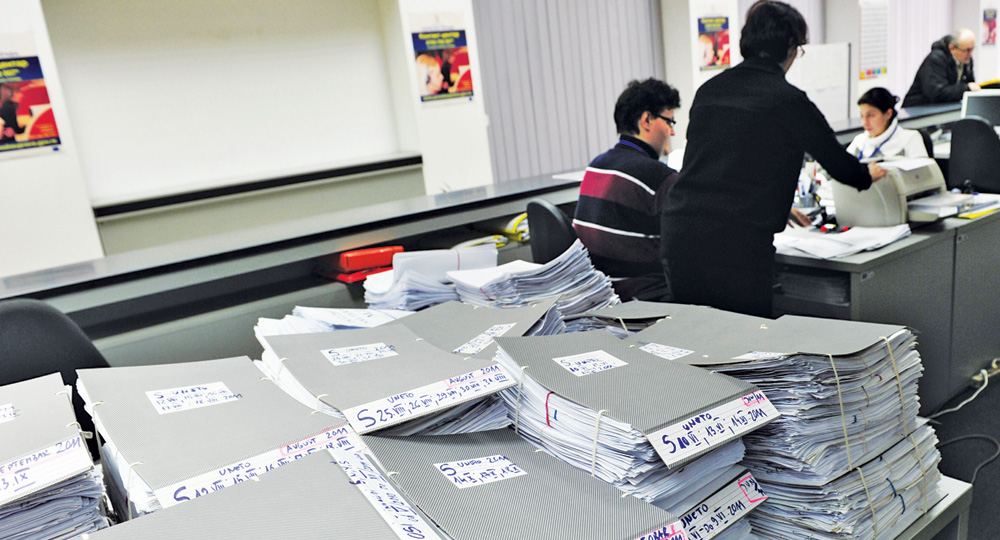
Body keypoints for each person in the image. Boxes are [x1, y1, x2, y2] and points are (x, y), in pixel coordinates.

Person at [660, 0, 882, 318]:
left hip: (681, 236)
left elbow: (722, 164)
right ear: (790, 48)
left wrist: (775, 202)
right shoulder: (788, 101)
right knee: (747, 341)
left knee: (695, 337)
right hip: (735, 244)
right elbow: (840, 166)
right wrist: (869, 173)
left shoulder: (710, 90)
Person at [573, 78, 680, 301]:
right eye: (669, 122)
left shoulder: (596, 165)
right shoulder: (660, 178)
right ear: (647, 120)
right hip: (645, 301)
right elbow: (688, 250)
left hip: (598, 295)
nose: (672, 132)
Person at [902, 29, 980, 107]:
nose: (970, 54)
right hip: (917, 108)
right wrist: (966, 88)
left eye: (972, 49)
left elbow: (970, 85)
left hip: (942, 107)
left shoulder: (966, 61)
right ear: (952, 48)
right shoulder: (936, 59)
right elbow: (937, 93)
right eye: (967, 50)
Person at [848, 87, 928, 160]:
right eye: (862, 116)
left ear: (888, 114)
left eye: (870, 115)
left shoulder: (910, 138)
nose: (865, 122)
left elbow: (924, 170)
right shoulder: (859, 141)